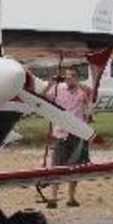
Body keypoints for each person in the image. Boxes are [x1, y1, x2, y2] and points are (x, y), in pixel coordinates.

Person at [42, 67, 94, 208]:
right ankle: (53, 198)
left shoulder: (81, 91)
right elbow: (42, 98)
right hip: (60, 132)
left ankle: (71, 197)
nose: (68, 78)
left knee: (76, 166)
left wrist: (76, 83)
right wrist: (50, 83)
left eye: (72, 76)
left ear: (77, 77)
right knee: (57, 165)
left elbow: (91, 93)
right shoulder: (58, 89)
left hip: (78, 133)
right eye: (67, 76)